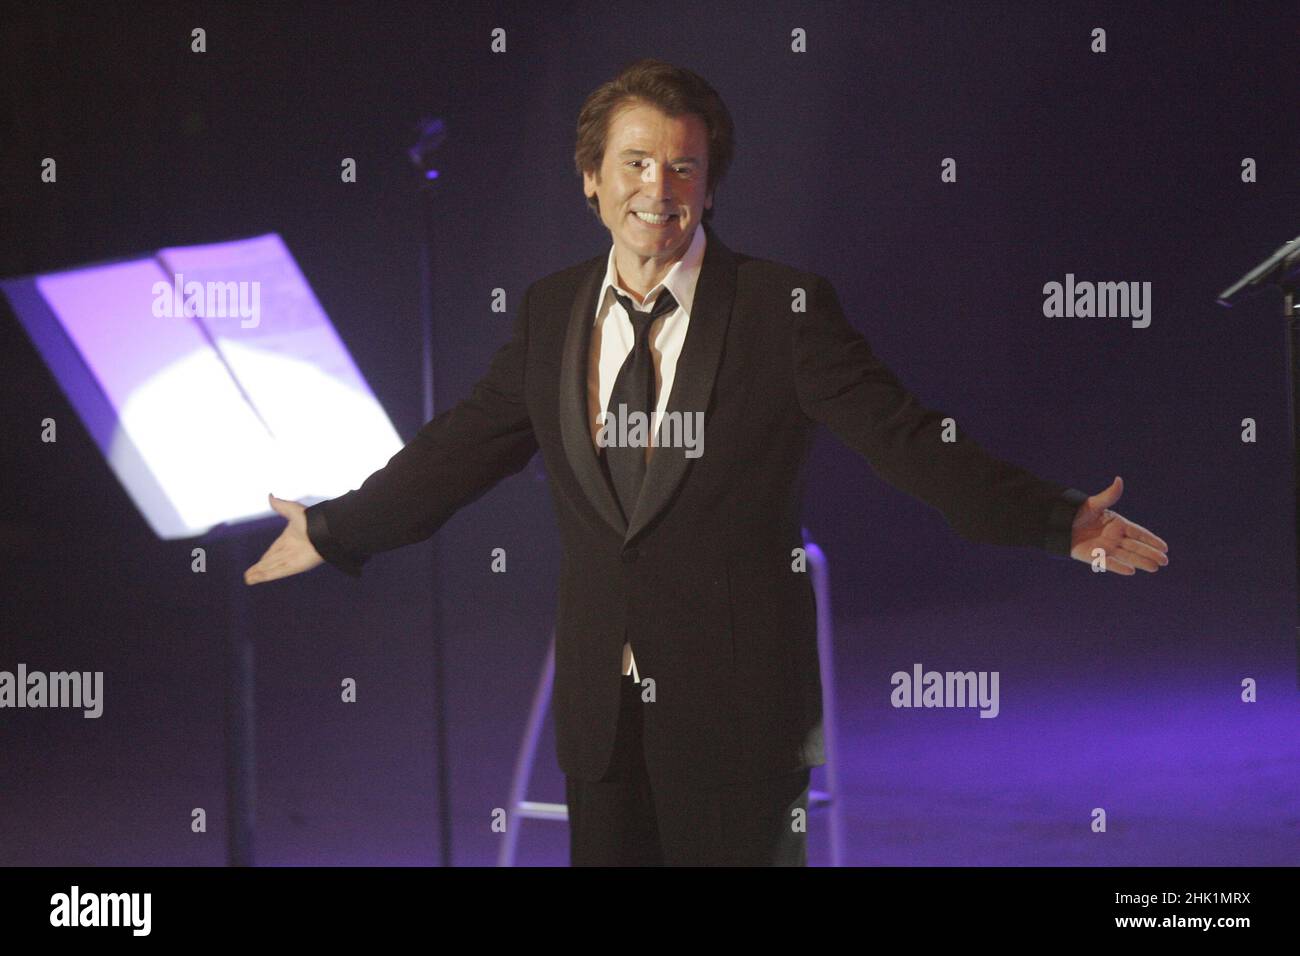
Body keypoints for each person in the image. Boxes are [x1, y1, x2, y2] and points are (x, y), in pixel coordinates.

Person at [244, 58, 1169, 866]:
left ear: (711, 184)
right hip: (603, 719)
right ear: (591, 179)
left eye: (683, 165)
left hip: (741, 717)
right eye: (635, 163)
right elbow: (462, 447)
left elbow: (912, 441)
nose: (659, 187)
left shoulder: (783, 309)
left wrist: (1057, 520)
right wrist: (337, 526)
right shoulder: (549, 310)